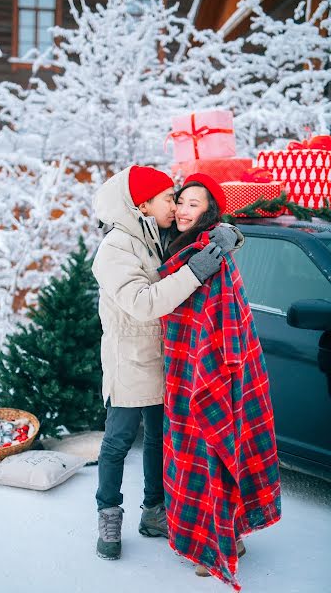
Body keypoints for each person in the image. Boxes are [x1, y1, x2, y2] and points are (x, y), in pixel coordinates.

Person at [91, 165, 242, 561]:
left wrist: (231, 238)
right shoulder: (115, 248)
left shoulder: (156, 235)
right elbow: (142, 302)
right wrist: (195, 273)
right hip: (130, 359)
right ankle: (108, 514)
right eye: (168, 198)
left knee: (161, 440)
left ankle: (154, 511)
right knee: (119, 441)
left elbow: (200, 237)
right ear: (143, 204)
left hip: (167, 358)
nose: (175, 205)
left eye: (177, 198)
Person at [159, 173, 282, 591]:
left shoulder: (210, 253)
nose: (181, 209)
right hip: (182, 366)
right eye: (180, 201)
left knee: (210, 451)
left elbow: (221, 315)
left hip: (210, 370)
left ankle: (216, 543)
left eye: (193, 204)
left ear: (208, 211)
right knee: (192, 454)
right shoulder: (183, 246)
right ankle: (215, 533)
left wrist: (211, 369)